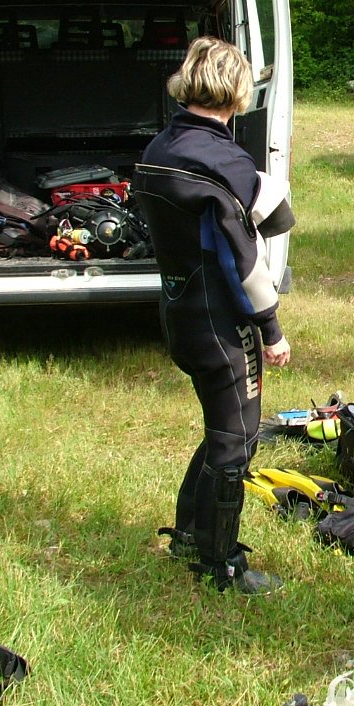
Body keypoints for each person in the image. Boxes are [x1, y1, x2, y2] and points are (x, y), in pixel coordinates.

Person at [134, 37, 294, 594]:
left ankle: (187, 534)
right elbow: (245, 257)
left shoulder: (160, 145)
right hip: (222, 322)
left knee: (222, 430)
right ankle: (221, 563)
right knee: (238, 439)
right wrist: (270, 328)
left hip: (180, 309)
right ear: (237, 91)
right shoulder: (225, 159)